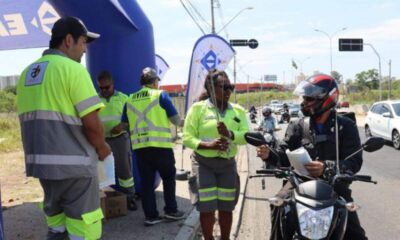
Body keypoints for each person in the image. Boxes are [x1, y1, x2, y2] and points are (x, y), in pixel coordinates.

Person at [16, 16, 111, 240]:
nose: (85, 50)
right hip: (75, 168)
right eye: (83, 42)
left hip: (42, 169)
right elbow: (92, 124)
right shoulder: (73, 70)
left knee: (57, 228)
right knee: (84, 230)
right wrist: (102, 147)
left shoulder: (26, 74)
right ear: (69, 40)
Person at [256, 74, 367, 240]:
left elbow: (354, 161)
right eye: (304, 98)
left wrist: (326, 166)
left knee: (355, 232)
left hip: (334, 185)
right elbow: (284, 153)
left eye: (309, 99)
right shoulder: (298, 125)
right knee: (278, 204)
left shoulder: (346, 126)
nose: (304, 103)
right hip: (299, 183)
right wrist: (269, 154)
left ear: (326, 98)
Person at [183, 69, 249, 240]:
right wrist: (207, 145)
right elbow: (187, 137)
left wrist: (230, 134)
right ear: (211, 89)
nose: (228, 91)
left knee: (226, 207)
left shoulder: (238, 111)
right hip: (203, 164)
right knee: (207, 207)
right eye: (223, 87)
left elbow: (246, 136)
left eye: (230, 87)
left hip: (227, 165)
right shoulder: (197, 109)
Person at [121, 67, 185, 226]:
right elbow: (176, 121)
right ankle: (171, 211)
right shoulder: (160, 95)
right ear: (155, 82)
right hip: (161, 147)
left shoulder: (129, 100)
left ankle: (151, 216)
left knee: (147, 183)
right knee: (169, 178)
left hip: (141, 149)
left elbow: (123, 124)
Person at [97, 70, 137, 211]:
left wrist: (122, 126)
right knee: (101, 171)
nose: (104, 90)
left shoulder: (123, 98)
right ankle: (102, 202)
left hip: (119, 139)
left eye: (107, 87)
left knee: (124, 171)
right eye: (101, 88)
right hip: (101, 141)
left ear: (112, 84)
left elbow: (133, 119)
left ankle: (129, 198)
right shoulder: (95, 100)